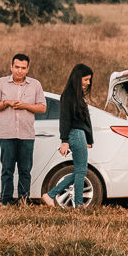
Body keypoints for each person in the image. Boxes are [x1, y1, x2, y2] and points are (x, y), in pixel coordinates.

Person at [0, 53, 47, 204]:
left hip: (26, 136)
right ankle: (6, 201)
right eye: (17, 67)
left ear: (28, 69)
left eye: (23, 68)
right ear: (11, 67)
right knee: (7, 170)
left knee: (25, 171)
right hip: (7, 135)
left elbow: (42, 108)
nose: (19, 71)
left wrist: (25, 105)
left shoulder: (35, 85)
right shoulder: (0, 83)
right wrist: (6, 103)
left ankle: (23, 201)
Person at [42, 64, 93, 208]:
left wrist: (89, 140)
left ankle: (52, 195)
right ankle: (77, 204)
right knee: (81, 171)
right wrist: (64, 141)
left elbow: (85, 120)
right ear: (77, 79)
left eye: (89, 80)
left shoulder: (78, 96)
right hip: (75, 134)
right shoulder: (68, 96)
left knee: (80, 171)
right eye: (86, 80)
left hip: (80, 134)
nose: (88, 83)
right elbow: (65, 120)